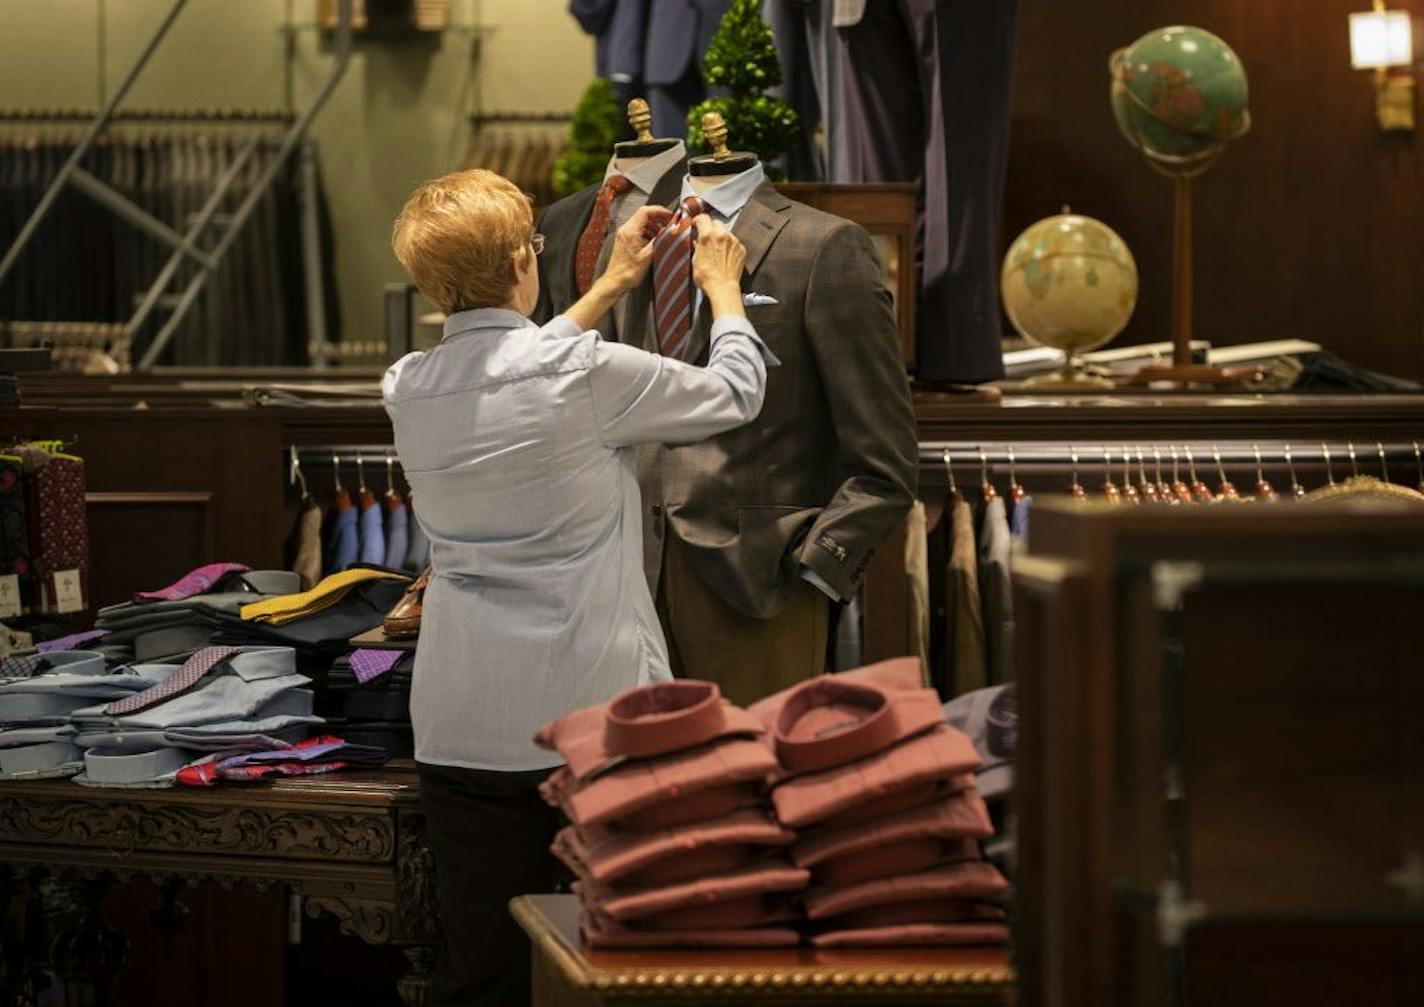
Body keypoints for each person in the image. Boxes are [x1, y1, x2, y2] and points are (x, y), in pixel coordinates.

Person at [382, 168, 773, 1007]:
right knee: (613, 964)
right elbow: (736, 394)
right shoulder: (591, 376)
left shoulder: (407, 388)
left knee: (481, 972)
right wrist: (725, 293)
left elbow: (507, 368)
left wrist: (607, 287)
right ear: (526, 257)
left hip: (461, 723)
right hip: (590, 716)